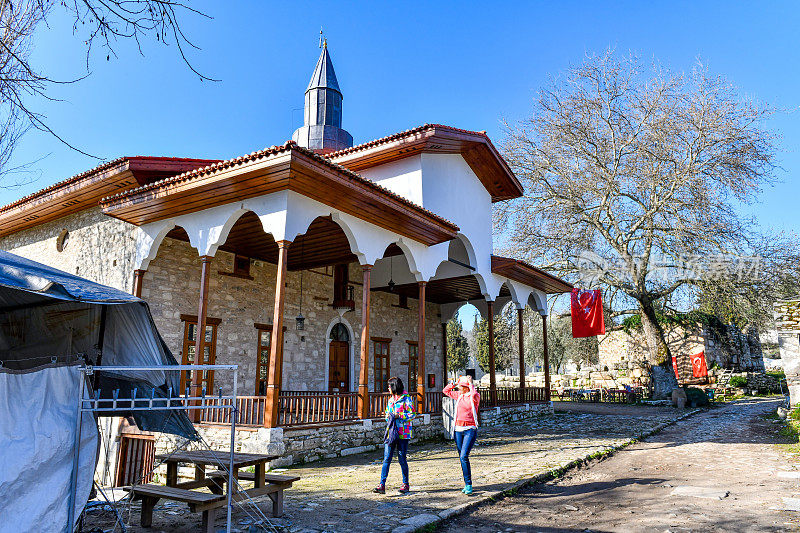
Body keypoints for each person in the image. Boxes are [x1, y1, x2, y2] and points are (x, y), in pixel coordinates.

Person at [373, 376, 415, 494]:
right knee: (386, 458)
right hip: (391, 433)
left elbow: (412, 414)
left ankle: (405, 484)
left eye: (389, 386)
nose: (388, 388)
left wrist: (399, 416)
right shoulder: (390, 400)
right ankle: (382, 485)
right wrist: (388, 416)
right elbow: (387, 413)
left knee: (402, 458)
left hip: (403, 433)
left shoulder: (406, 399)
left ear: (394, 386)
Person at [443, 374, 480, 495]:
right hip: (458, 429)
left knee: (464, 455)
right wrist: (453, 383)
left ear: (466, 387)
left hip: (470, 429)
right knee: (461, 457)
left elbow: (474, 393)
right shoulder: (459, 395)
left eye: (460, 386)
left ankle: (469, 484)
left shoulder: (473, 397)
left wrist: (470, 383)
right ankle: (466, 483)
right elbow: (445, 391)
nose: (458, 388)